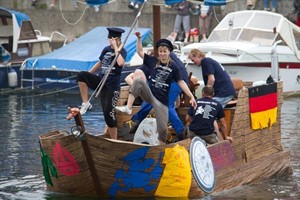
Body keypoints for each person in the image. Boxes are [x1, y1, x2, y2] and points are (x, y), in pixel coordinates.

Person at [116, 37, 197, 145]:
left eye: (164, 51)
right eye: (160, 51)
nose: (162, 53)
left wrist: (191, 96)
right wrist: (139, 39)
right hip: (174, 82)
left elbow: (180, 82)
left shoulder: (165, 63)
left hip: (177, 81)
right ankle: (136, 120)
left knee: (166, 105)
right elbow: (140, 52)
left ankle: (181, 132)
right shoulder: (154, 61)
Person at [76, 27, 127, 140]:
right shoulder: (105, 50)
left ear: (117, 39)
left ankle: (114, 140)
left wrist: (115, 47)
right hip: (101, 81)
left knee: (108, 113)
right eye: (109, 38)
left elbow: (120, 62)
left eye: (112, 38)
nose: (110, 40)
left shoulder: (122, 51)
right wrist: (88, 75)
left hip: (112, 86)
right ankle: (85, 103)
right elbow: (99, 63)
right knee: (81, 75)